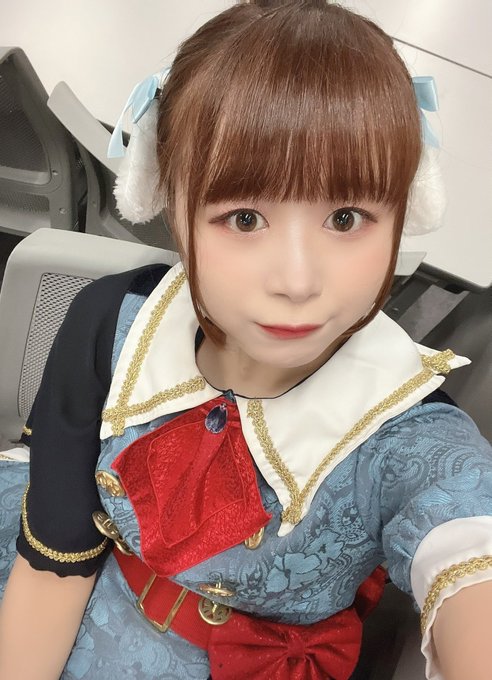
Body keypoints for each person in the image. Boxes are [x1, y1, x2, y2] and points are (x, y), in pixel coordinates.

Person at [0, 1, 491, 679]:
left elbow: (467, 545)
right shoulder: (112, 322)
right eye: (245, 218)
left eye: (346, 218)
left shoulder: (407, 433)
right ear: (172, 205)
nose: (297, 280)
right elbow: (54, 563)